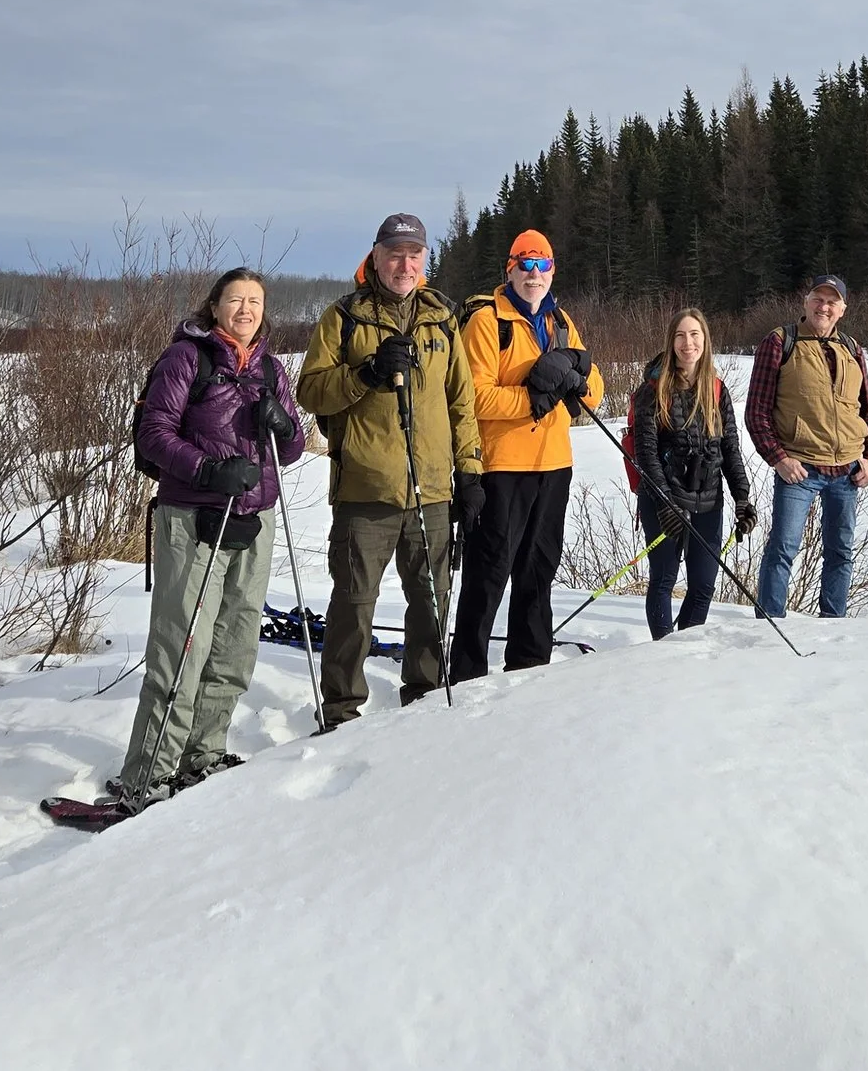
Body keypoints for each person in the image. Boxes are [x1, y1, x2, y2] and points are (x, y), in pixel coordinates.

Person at [110, 266, 307, 811]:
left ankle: (203, 753)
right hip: (194, 517)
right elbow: (154, 435)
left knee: (236, 643)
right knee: (182, 648)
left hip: (255, 518)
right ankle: (149, 771)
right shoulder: (186, 358)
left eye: (255, 301)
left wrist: (287, 429)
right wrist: (206, 470)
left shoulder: (270, 366)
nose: (246, 309)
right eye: (236, 299)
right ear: (215, 306)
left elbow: (289, 451)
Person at [295, 213, 482, 727]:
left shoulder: (442, 318)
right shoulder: (344, 316)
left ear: (425, 260)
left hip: (432, 490)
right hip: (365, 487)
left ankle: (422, 702)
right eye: (395, 253)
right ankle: (340, 711)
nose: (405, 264)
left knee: (432, 601)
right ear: (375, 256)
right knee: (354, 605)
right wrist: (366, 374)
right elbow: (309, 391)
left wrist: (469, 471)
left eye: (414, 254)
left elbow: (461, 402)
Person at [449, 230, 603, 684]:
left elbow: (594, 389)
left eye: (542, 265)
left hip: (553, 465)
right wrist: (531, 398)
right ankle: (468, 674)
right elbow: (473, 397)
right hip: (503, 467)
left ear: (552, 271)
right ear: (510, 269)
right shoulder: (486, 322)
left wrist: (577, 382)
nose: (533, 274)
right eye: (525, 264)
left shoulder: (560, 321)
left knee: (539, 570)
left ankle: (531, 669)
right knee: (489, 573)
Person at [744, 275, 868, 619]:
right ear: (805, 302)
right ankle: (771, 625)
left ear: (842, 310)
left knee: (841, 553)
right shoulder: (780, 342)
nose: (824, 306)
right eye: (818, 299)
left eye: (831, 302)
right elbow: (756, 412)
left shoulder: (852, 349)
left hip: (848, 472)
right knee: (782, 550)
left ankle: (833, 625)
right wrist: (778, 459)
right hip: (800, 470)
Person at [625, 306, 756, 639]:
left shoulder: (716, 389)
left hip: (709, 500)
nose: (688, 343)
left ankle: (685, 650)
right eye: (681, 336)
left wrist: (742, 498)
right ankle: (664, 649)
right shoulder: (651, 392)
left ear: (705, 340)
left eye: (695, 335)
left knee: (703, 585)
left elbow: (729, 449)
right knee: (664, 580)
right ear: (671, 342)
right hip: (664, 501)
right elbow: (646, 454)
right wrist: (665, 503)